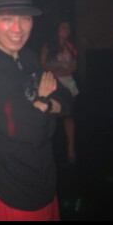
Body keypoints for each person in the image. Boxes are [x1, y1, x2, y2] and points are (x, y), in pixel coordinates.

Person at [0, 0, 68, 221]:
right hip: (17, 196)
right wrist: (45, 100)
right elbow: (33, 132)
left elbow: (67, 100)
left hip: (45, 185)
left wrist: (43, 106)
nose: (17, 28)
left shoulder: (27, 56)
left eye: (25, 18)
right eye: (7, 18)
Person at [40, 19, 78, 163]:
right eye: (64, 27)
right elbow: (41, 64)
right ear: (57, 29)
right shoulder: (48, 46)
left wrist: (67, 70)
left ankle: (71, 148)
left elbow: (75, 64)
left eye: (68, 27)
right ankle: (48, 149)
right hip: (53, 82)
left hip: (68, 83)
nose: (67, 29)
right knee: (50, 116)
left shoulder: (70, 46)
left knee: (68, 116)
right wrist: (55, 71)